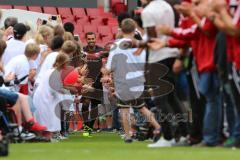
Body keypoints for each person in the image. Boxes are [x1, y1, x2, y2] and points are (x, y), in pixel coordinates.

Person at [102, 18, 161, 143]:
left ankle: (128, 136)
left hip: (122, 81)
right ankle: (159, 127)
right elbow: (145, 64)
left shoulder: (116, 46)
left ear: (121, 30)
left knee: (124, 109)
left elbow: (110, 66)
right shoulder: (140, 44)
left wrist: (104, 71)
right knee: (142, 107)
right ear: (134, 30)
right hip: (138, 80)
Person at [0, 39, 46, 132]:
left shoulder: (20, 59)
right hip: (7, 87)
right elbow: (22, 84)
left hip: (6, 85)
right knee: (24, 98)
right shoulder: (24, 63)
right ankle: (26, 125)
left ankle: (28, 124)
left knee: (25, 98)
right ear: (34, 55)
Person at [83, 32, 104, 131]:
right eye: (89, 39)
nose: (91, 40)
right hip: (86, 80)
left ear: (95, 39)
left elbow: (104, 65)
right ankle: (86, 125)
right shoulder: (83, 51)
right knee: (85, 104)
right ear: (86, 39)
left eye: (92, 38)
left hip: (98, 81)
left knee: (95, 106)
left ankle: (89, 127)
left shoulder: (101, 50)